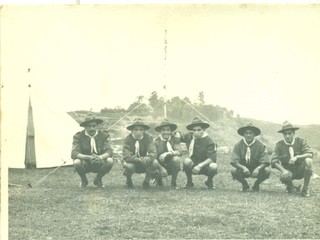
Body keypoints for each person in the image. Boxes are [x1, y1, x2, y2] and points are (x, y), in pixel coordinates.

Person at [272, 121, 313, 197]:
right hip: (288, 171)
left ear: (294, 133)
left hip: (300, 169)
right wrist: (283, 171)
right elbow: (274, 161)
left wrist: (297, 157)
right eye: (285, 134)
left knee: (309, 161)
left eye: (289, 133)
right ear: (283, 134)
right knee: (283, 175)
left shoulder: (301, 141)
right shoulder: (279, 145)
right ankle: (290, 186)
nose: (287, 136)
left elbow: (310, 154)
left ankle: (305, 189)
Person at [71, 115, 114, 188]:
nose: (92, 128)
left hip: (99, 160)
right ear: (85, 127)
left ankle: (98, 179)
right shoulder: (78, 136)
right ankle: (84, 180)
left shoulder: (104, 135)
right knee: (76, 162)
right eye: (89, 126)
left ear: (97, 126)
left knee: (110, 160)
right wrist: (87, 157)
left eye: (94, 126)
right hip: (85, 162)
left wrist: (100, 157)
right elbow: (74, 152)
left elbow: (109, 151)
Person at [231, 123, 270, 192]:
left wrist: (258, 168)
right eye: (246, 133)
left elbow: (265, 161)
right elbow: (234, 161)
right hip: (243, 169)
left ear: (254, 134)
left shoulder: (260, 146)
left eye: (250, 133)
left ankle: (256, 185)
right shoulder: (238, 145)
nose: (248, 135)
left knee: (267, 170)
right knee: (233, 170)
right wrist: (243, 168)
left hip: (256, 168)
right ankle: (244, 184)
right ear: (243, 134)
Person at [122, 118, 160, 189]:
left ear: (144, 131)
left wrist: (148, 157)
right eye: (136, 130)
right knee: (128, 166)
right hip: (132, 162)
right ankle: (128, 181)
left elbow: (153, 151)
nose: (138, 132)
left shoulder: (148, 138)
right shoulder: (127, 139)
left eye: (141, 129)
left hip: (144, 161)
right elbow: (126, 155)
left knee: (154, 162)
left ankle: (146, 181)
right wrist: (138, 159)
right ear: (132, 131)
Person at [180, 117, 217, 189]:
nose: (196, 132)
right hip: (193, 163)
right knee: (186, 161)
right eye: (194, 130)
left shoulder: (209, 141)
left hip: (205, 165)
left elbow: (212, 158)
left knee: (214, 166)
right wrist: (177, 134)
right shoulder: (189, 136)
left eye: (199, 130)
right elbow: (179, 138)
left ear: (204, 129)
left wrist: (200, 166)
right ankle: (189, 182)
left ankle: (209, 181)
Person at [154, 119, 182, 189]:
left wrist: (168, 153)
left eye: (168, 130)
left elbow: (179, 151)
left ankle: (173, 182)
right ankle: (159, 180)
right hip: (159, 165)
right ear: (160, 131)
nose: (166, 132)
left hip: (170, 164)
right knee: (154, 164)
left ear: (171, 131)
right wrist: (161, 168)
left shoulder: (174, 139)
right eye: (163, 130)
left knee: (176, 159)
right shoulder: (156, 142)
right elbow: (153, 157)